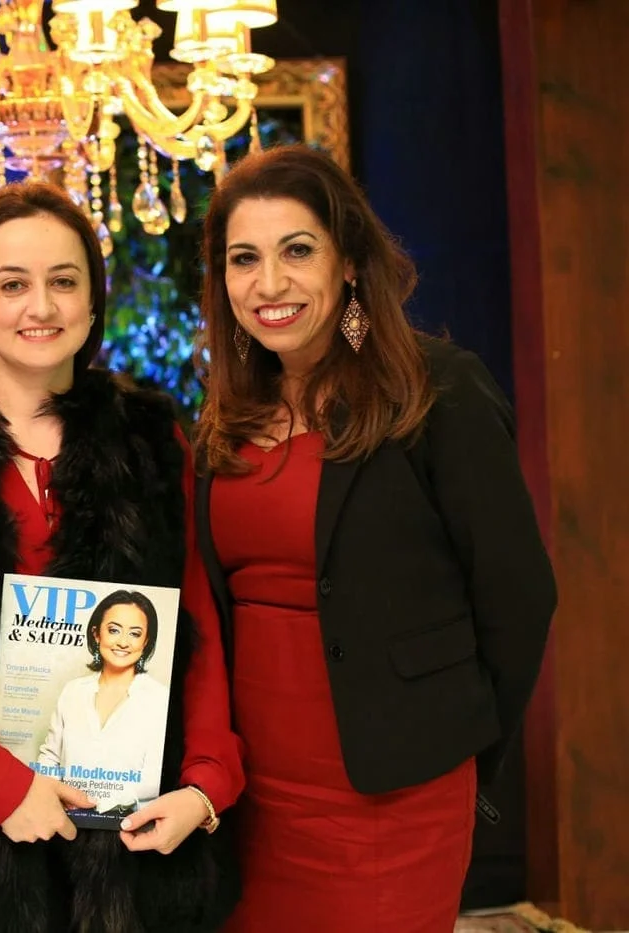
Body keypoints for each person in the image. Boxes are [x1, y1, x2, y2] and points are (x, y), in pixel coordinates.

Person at [189, 144, 556, 933]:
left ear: (350, 262)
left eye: (297, 251)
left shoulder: (436, 390)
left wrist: (454, 748)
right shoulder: (225, 417)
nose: (269, 283)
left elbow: (520, 596)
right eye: (244, 259)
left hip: (394, 798)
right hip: (251, 801)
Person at [0, 182, 244, 933]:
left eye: (63, 281)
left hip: (139, 835)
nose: (41, 306)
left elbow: (192, 622)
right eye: (13, 284)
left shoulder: (153, 440)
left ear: (93, 302)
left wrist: (204, 783)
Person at [37, 590, 172, 815]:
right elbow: (50, 757)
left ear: (146, 641)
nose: (123, 642)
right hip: (65, 818)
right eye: (114, 630)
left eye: (135, 634)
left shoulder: (160, 698)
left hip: (129, 823)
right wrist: (53, 795)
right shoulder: (72, 691)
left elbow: (156, 774)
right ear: (96, 634)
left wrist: (100, 802)